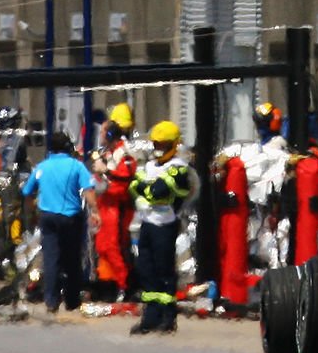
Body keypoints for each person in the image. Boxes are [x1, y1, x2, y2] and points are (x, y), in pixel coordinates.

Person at [128, 121, 197, 334]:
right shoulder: (151, 166)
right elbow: (133, 186)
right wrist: (147, 188)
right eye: (156, 144)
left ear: (174, 145)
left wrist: (146, 188)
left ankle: (168, 318)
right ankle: (150, 316)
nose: (159, 149)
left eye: (164, 145)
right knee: (145, 270)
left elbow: (155, 192)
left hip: (165, 226)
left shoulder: (179, 167)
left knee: (164, 271)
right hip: (147, 224)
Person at [21, 132, 97, 313]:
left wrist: (30, 213)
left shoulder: (42, 167)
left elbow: (27, 192)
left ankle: (51, 301)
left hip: (47, 218)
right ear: (68, 147)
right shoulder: (76, 166)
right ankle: (72, 300)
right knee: (72, 259)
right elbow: (88, 190)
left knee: (51, 258)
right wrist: (95, 211)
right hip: (71, 218)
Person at [92, 102, 137, 298]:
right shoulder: (109, 153)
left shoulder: (124, 154)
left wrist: (106, 171)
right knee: (102, 247)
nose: (100, 135)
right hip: (105, 206)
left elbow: (124, 179)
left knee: (114, 247)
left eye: (103, 131)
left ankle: (124, 286)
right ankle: (106, 284)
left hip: (117, 207)